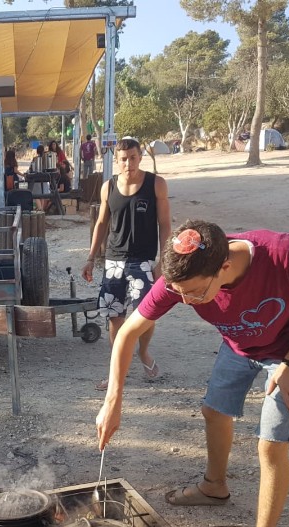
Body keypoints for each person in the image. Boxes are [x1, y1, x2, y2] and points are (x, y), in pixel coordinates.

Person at [96, 220, 289, 527]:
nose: (187, 301)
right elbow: (129, 332)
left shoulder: (284, 253)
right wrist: (113, 399)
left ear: (223, 267)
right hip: (241, 345)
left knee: (270, 446)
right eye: (180, 294)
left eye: (194, 293)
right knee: (214, 411)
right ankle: (214, 486)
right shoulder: (182, 281)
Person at [82, 136, 171, 390]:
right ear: (116, 161)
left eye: (133, 158)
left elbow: (165, 225)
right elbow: (101, 223)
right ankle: (116, 373)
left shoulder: (156, 184)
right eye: (123, 159)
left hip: (143, 261)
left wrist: (163, 261)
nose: (128, 163)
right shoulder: (108, 187)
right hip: (114, 262)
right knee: (114, 318)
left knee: (146, 315)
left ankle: (143, 352)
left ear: (139, 157)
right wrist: (90, 258)